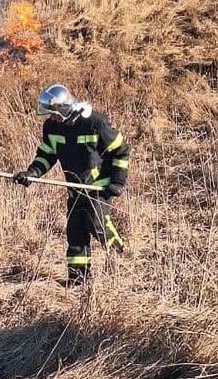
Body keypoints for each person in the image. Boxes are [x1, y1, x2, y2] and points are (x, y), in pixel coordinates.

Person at [13, 84, 130, 284]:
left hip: (98, 185)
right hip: (74, 188)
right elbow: (47, 154)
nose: (51, 118)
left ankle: (119, 257)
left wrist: (117, 182)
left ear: (64, 108)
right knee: (75, 231)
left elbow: (121, 150)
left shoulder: (95, 123)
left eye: (54, 114)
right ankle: (78, 280)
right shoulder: (51, 127)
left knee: (96, 221)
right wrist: (32, 173)